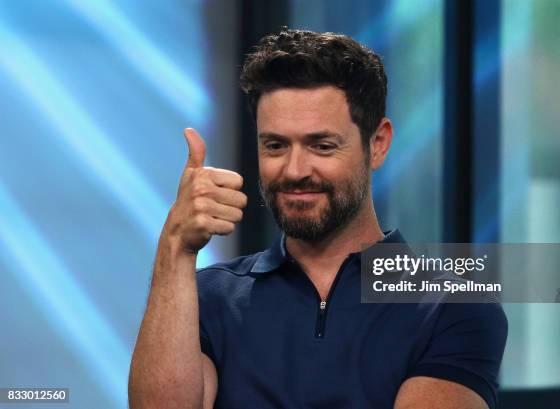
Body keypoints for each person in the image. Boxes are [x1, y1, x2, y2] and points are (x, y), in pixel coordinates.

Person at [128, 29, 507, 409]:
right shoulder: (209, 298)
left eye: (321, 146)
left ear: (377, 144)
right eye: (275, 146)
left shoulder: (452, 307)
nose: (295, 170)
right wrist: (176, 246)